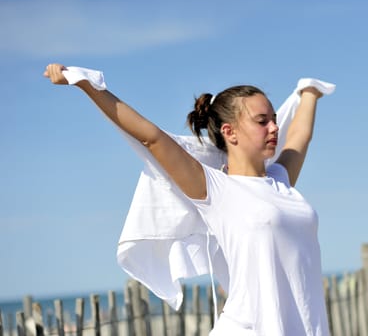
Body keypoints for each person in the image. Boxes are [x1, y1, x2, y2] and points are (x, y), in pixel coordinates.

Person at [44, 63, 332, 335]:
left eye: (274, 120)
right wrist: (85, 84)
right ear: (229, 132)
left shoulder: (281, 180)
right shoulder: (218, 189)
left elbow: (299, 137)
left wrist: (310, 92)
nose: (274, 128)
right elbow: (152, 138)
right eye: (262, 121)